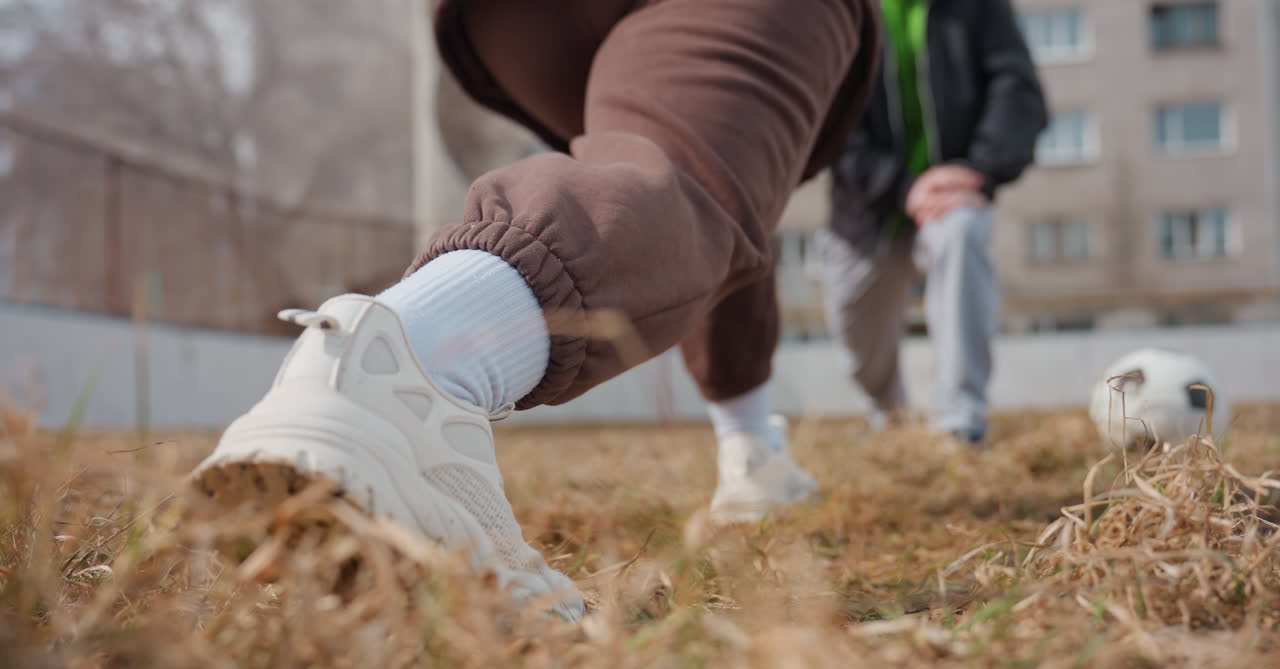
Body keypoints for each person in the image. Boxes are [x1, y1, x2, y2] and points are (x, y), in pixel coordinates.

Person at [190, 0, 882, 620]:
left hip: (515, 26)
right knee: (688, 180)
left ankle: (754, 452)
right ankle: (406, 369)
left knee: (696, 184)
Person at [818, 0, 1048, 444]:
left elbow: (1017, 89)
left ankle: (961, 418)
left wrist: (978, 170)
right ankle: (888, 413)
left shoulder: (976, 9)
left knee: (962, 234)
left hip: (956, 194)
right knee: (860, 343)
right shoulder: (840, 13)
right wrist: (903, 189)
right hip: (866, 211)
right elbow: (829, 120)